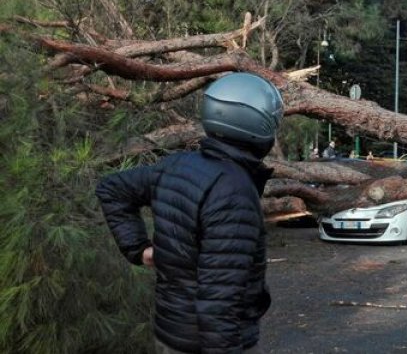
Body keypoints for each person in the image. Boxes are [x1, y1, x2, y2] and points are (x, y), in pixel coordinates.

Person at [96, 72, 283, 353]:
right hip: (205, 342)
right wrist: (139, 248)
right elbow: (219, 300)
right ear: (259, 125)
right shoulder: (234, 191)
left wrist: (140, 248)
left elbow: (112, 188)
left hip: (170, 332)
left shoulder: (176, 165)